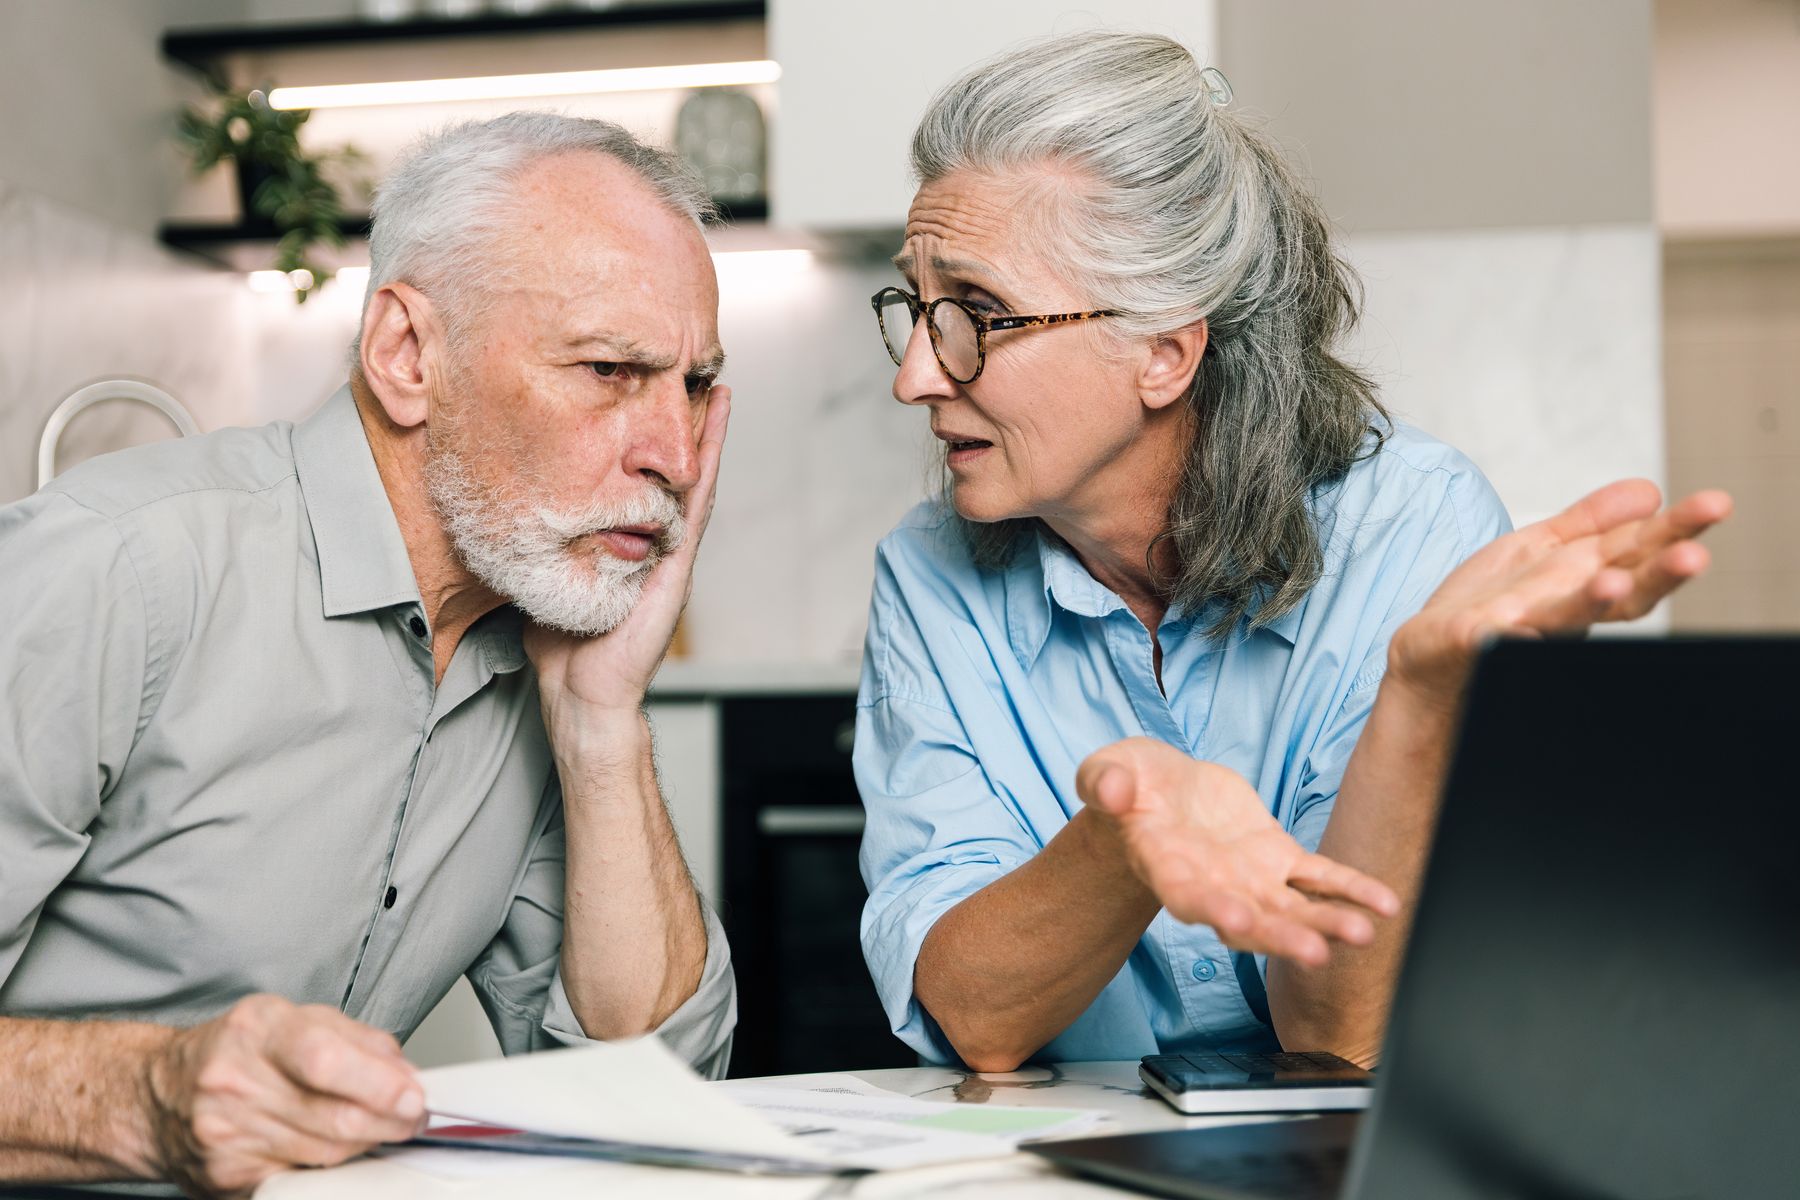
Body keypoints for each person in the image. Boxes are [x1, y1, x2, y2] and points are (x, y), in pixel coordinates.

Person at [855, 32, 1730, 1073]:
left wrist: (1418, 692)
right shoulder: (928, 575)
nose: (916, 375)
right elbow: (978, 1018)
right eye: (916, 307)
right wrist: (1128, 830)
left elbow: (1340, 1034)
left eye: (978, 315)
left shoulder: (1416, 528)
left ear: (1164, 354)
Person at [0, 113, 735, 1196]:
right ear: (406, 355)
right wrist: (151, 1095)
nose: (674, 455)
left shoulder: (536, 638)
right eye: (610, 369)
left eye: (696, 385)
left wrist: (601, 721)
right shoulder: (115, 570)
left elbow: (655, 1093)